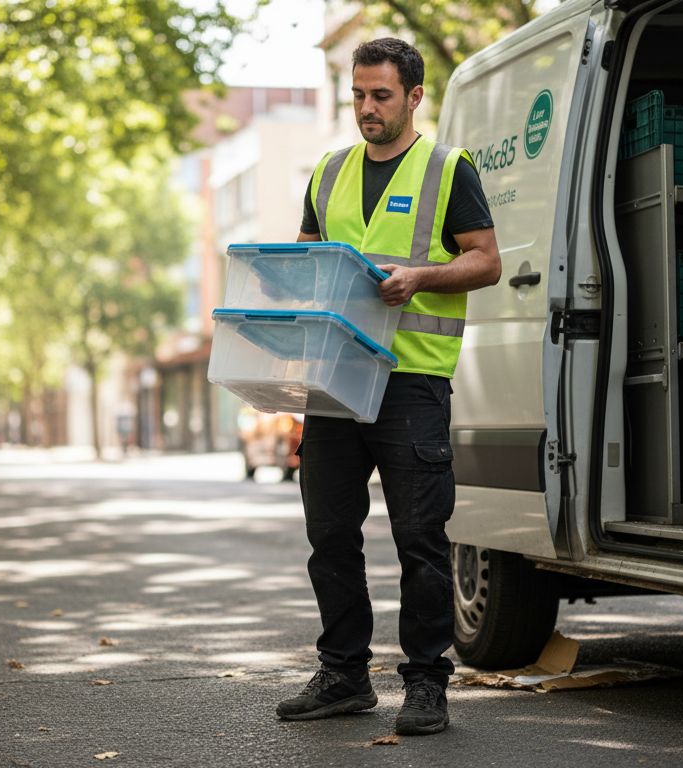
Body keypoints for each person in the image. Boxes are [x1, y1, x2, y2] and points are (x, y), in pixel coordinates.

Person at [275, 37, 500, 736]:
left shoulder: (447, 169)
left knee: (420, 539)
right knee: (329, 534)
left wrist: (421, 278)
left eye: (381, 95)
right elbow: (311, 263)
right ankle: (343, 675)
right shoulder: (328, 172)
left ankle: (427, 683)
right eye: (358, 94)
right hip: (336, 381)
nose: (367, 107)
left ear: (414, 97)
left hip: (411, 381)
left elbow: (487, 261)